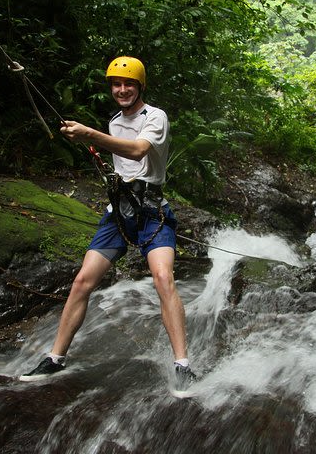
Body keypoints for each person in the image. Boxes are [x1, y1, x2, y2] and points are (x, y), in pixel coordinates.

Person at [20, 56, 195, 389]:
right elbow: (121, 161)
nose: (122, 89)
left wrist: (90, 134)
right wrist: (97, 143)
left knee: (163, 278)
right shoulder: (115, 121)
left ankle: (182, 364)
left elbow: (138, 150)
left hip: (152, 212)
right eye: (116, 84)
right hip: (120, 211)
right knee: (83, 280)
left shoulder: (155, 117)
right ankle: (55, 358)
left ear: (140, 86)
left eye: (129, 84)